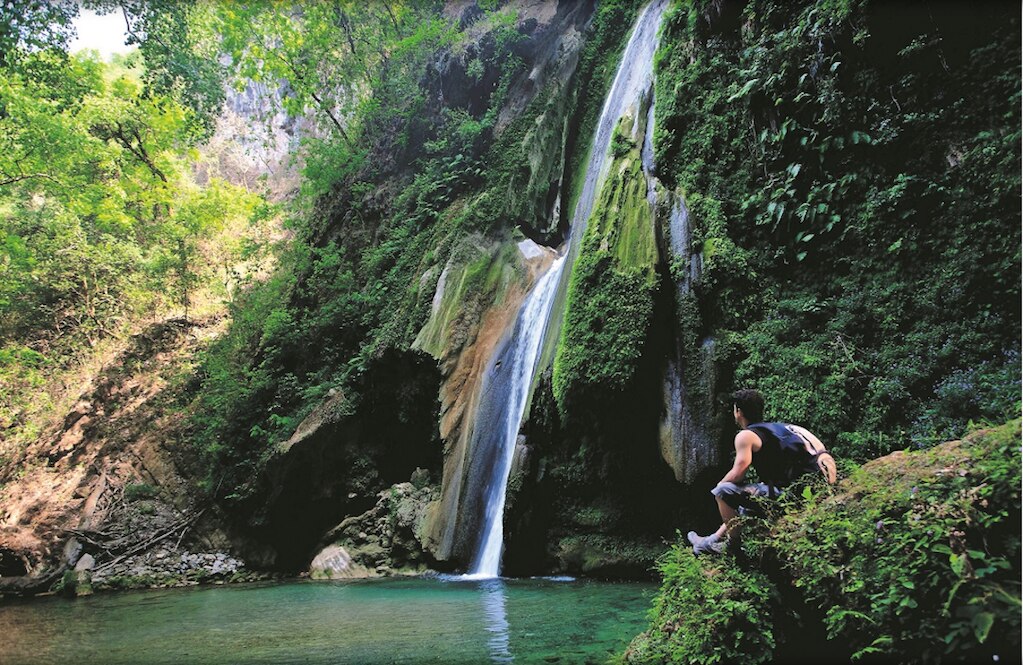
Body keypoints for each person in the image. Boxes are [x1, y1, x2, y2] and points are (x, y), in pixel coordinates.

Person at [687, 388, 837, 555]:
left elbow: (739, 471)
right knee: (746, 504)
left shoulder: (746, 435)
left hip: (792, 496)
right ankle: (710, 541)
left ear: (738, 411)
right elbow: (823, 454)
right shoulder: (790, 428)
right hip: (817, 489)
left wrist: (719, 486)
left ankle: (732, 547)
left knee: (722, 491)